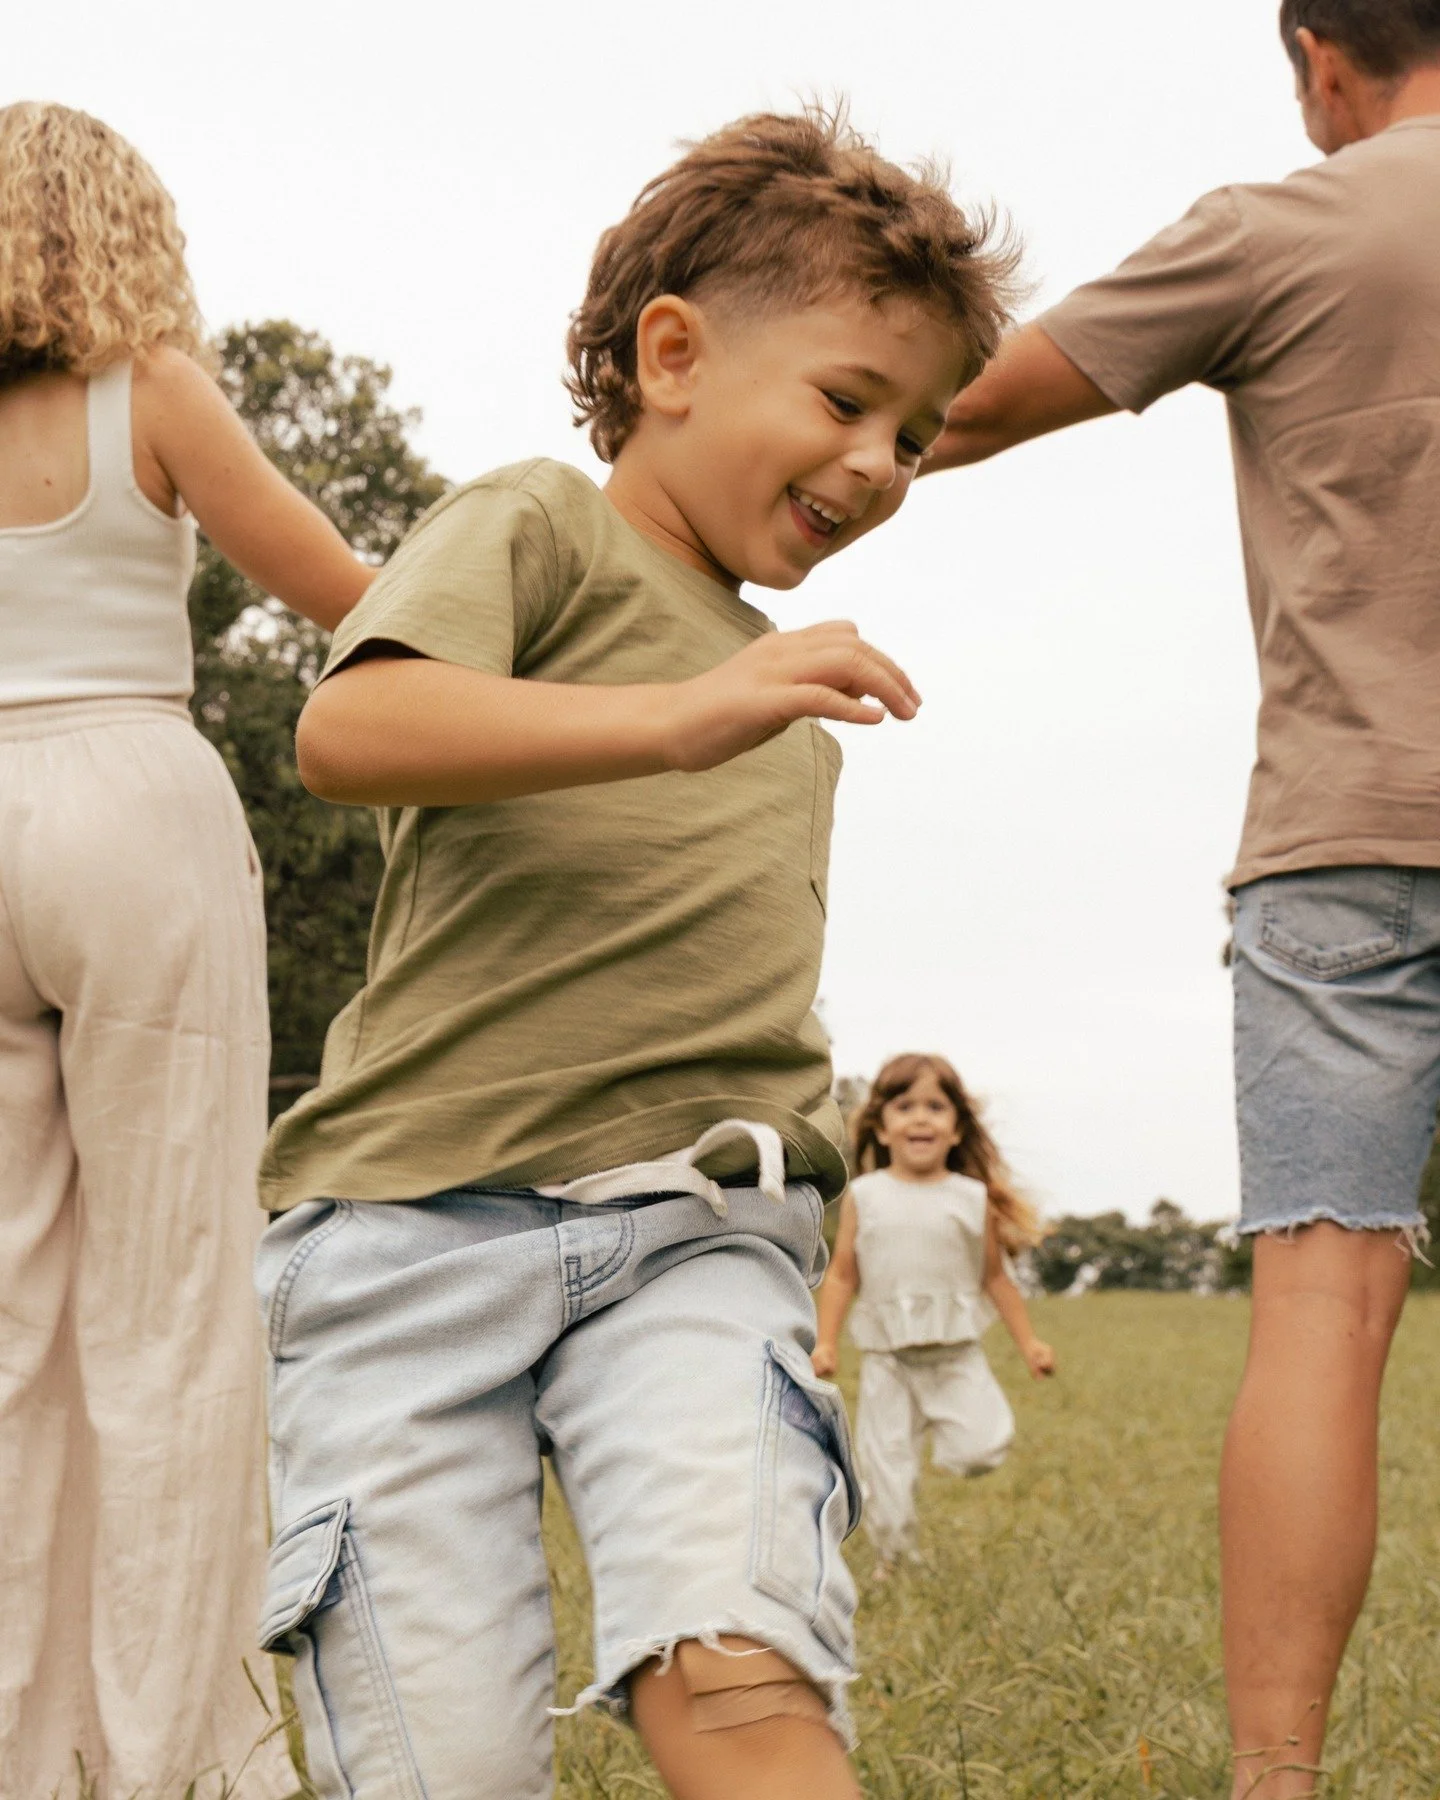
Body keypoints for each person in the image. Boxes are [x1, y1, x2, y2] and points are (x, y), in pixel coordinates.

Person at [254, 109, 1018, 1800]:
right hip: (404, 1245)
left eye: (920, 429)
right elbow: (352, 728)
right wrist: (677, 715)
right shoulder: (541, 530)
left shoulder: (790, 715)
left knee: (740, 1675)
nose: (885, 463)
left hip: (693, 1231)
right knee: (438, 1765)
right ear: (673, 354)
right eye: (847, 401)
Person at [923, 4, 1440, 1793]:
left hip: (1346, 839)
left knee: (1322, 1310)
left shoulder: (1276, 228)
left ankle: (1275, 1782)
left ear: (1316, 50)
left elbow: (949, 412)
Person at [0, 102, 373, 1799]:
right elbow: (333, 584)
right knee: (172, 1316)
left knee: (9, 1330)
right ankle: (169, 1762)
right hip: (130, 806)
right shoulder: (148, 387)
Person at [811, 1054, 1053, 1574]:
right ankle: (895, 1561)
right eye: (905, 1106)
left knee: (982, 1447)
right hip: (888, 1362)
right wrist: (825, 1342)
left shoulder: (971, 1197)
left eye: (936, 1107)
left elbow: (995, 1278)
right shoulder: (866, 1195)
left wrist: (1029, 1344)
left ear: (957, 1127)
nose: (920, 1118)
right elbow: (844, 1275)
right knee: (886, 1470)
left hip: (955, 1356)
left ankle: (940, 1440)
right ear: (881, 1125)